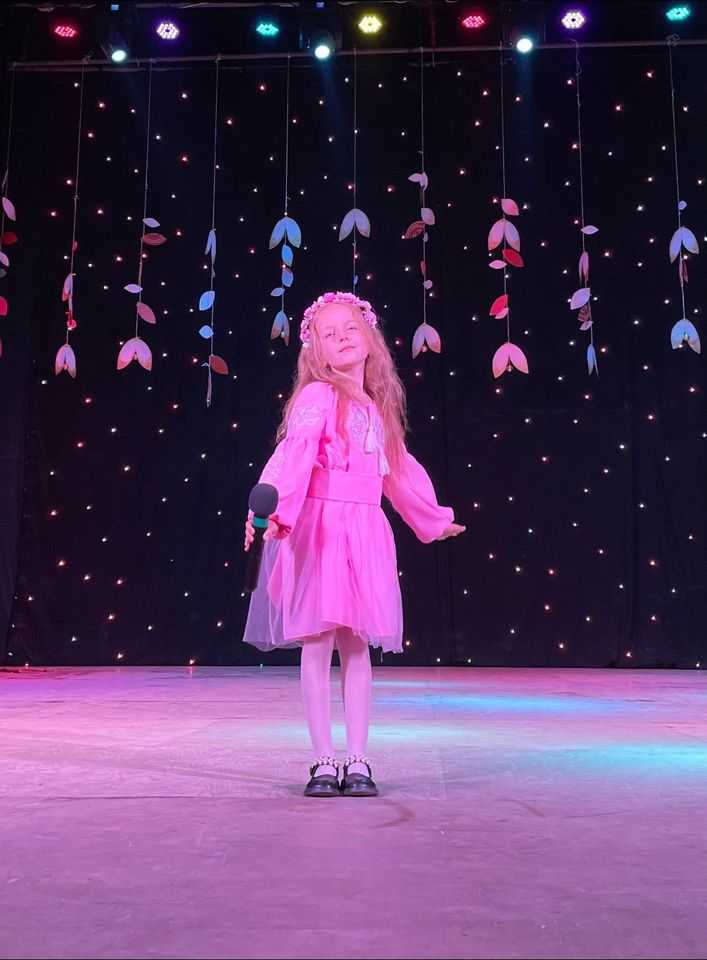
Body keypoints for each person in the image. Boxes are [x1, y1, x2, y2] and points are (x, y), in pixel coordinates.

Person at [243, 291, 465, 797]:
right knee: (318, 641)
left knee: (357, 645)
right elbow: (294, 457)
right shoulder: (318, 397)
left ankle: (359, 758)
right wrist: (276, 512)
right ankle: (323, 760)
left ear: (369, 338)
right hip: (321, 527)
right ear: (317, 352)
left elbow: (397, 474)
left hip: (364, 531)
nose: (343, 337)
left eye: (350, 328)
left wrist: (432, 519)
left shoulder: (378, 409)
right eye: (330, 333)